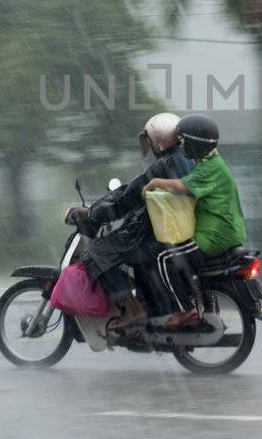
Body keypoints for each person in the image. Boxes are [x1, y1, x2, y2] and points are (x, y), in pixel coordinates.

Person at [64, 112, 193, 324]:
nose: (148, 144)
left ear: (158, 141)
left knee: (95, 253)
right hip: (174, 231)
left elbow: (126, 198)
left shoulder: (162, 167)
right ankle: (150, 306)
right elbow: (129, 191)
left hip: (153, 235)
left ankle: (132, 309)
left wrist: (93, 212)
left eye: (150, 140)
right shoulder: (185, 161)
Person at [141, 114, 247, 328]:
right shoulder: (211, 162)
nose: (181, 145)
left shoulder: (210, 168)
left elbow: (182, 186)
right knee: (181, 259)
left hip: (214, 235)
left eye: (183, 141)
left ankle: (183, 312)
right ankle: (207, 306)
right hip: (223, 231)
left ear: (195, 144)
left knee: (163, 259)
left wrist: (153, 183)